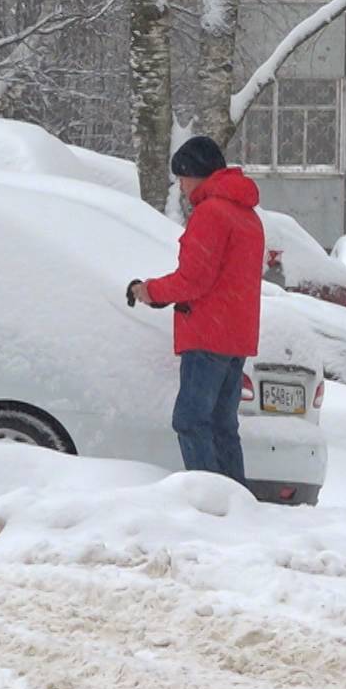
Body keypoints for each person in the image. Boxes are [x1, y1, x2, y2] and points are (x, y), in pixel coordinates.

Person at [129, 136, 264, 487]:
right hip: (235, 336)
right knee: (222, 425)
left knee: (190, 420)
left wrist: (150, 291)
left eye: (182, 177)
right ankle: (236, 500)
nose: (181, 186)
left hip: (207, 335)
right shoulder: (247, 215)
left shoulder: (212, 213)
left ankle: (210, 502)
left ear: (195, 173)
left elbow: (194, 278)